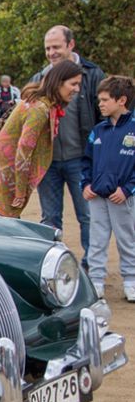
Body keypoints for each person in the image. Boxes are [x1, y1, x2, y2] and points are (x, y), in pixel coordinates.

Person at [30, 26, 105, 268]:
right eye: (47, 48)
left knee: (88, 216)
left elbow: (104, 117)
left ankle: (91, 268)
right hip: (48, 162)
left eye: (56, 47)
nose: (51, 53)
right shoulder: (39, 78)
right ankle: (55, 269)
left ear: (71, 45)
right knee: (50, 219)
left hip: (81, 159)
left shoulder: (92, 75)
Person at [0, 60, 83, 217]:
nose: (77, 89)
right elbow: (23, 152)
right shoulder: (40, 110)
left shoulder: (41, 102)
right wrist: (20, 192)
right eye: (73, 84)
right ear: (58, 82)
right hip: (7, 173)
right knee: (2, 226)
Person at [82, 75, 135, 301]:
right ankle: (96, 281)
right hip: (98, 198)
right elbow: (86, 161)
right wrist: (85, 184)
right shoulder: (98, 130)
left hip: (122, 198)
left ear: (121, 100)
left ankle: (131, 281)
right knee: (97, 240)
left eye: (105, 99)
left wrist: (128, 189)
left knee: (127, 240)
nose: (100, 104)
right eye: (99, 99)